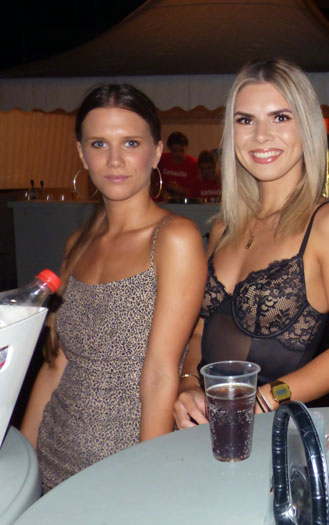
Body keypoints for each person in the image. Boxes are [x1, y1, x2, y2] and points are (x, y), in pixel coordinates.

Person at [20, 84, 207, 491]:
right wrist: (22, 461)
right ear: (81, 153)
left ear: (156, 152)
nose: (115, 160)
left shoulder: (174, 239)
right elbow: (55, 365)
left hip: (125, 463)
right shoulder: (77, 244)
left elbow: (160, 374)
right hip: (54, 450)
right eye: (99, 143)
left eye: (131, 143)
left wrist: (145, 479)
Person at [173, 58, 329, 427]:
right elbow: (201, 330)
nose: (261, 135)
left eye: (280, 117)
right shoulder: (224, 228)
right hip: (207, 431)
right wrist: (187, 383)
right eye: (245, 120)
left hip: (280, 436)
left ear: (307, 127)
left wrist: (265, 399)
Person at [158, 131, 199, 199]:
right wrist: (164, 191)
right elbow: (152, 185)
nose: (179, 154)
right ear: (169, 148)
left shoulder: (194, 164)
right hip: (162, 202)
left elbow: (198, 191)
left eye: (182, 150)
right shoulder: (161, 161)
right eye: (175, 151)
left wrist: (179, 189)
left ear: (187, 148)